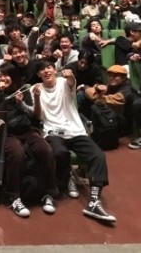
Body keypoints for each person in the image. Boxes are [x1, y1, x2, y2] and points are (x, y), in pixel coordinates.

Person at [32, 61, 116, 223]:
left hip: (75, 130)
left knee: (98, 155)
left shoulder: (64, 82)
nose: (46, 71)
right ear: (38, 74)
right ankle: (68, 175)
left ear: (54, 69)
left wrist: (70, 76)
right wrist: (36, 98)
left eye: (49, 67)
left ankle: (94, 201)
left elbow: (71, 82)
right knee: (59, 152)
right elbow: (38, 117)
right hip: (53, 132)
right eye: (42, 69)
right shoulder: (36, 89)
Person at [0, 63, 58, 218]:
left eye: (6, 75)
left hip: (27, 130)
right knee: (16, 154)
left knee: (45, 150)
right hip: (7, 133)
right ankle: (13, 196)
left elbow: (34, 115)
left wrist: (20, 104)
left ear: (13, 76)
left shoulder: (23, 90)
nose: (2, 79)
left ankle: (50, 193)